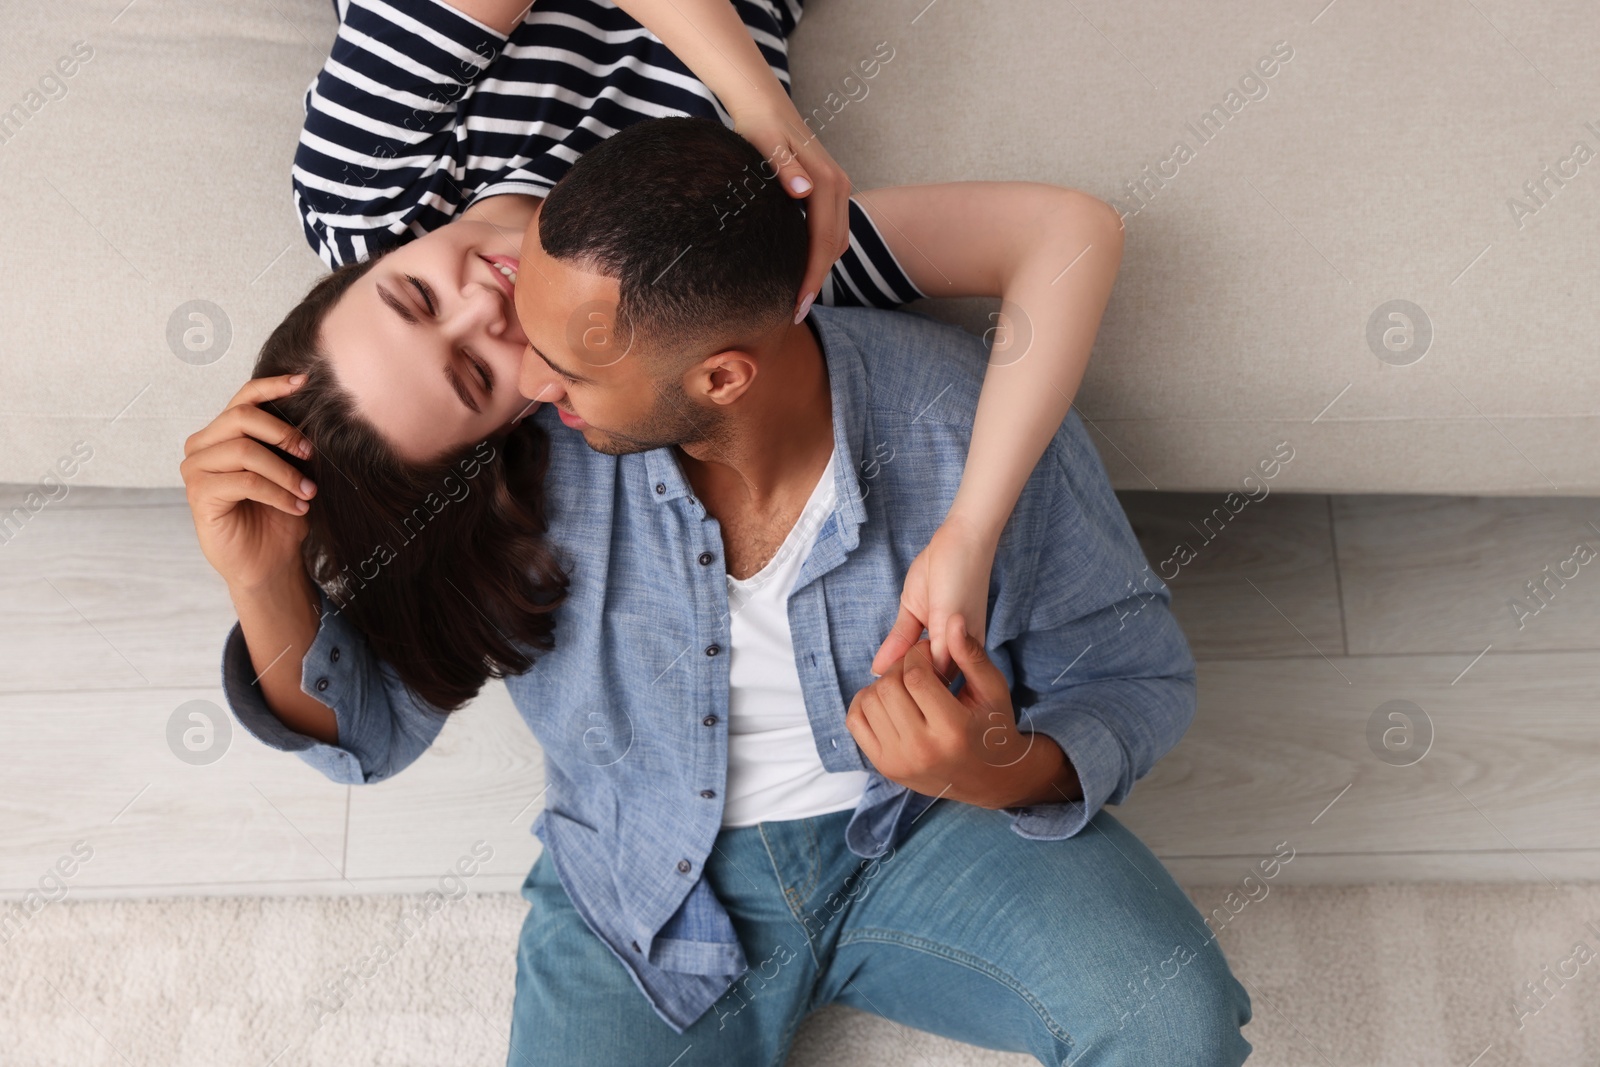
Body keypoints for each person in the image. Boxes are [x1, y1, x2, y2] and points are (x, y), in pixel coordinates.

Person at [198, 115, 1254, 1064]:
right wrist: (262, 574)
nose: (528, 366)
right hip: (640, 888)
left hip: (928, 833)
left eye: (568, 365)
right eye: (485, 382)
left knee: (1171, 1019)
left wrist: (1003, 766)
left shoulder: (951, 415)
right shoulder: (519, 471)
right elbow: (369, 730)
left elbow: (1133, 667)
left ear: (719, 376)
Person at [182, 0, 1129, 719]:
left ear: (368, 268)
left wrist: (759, 103)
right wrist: (971, 528)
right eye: (476, 373)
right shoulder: (698, 285)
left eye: (414, 295)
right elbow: (1068, 235)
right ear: (529, 411)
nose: (479, 300)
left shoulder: (359, 194)